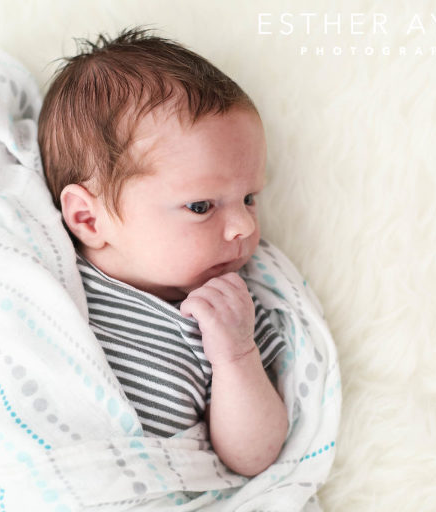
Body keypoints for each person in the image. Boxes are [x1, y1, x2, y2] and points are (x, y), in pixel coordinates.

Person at [37, 27, 288, 477]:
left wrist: (236, 356)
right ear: (89, 220)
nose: (244, 226)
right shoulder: (45, 279)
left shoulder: (229, 314)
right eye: (200, 206)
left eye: (250, 198)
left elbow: (253, 456)